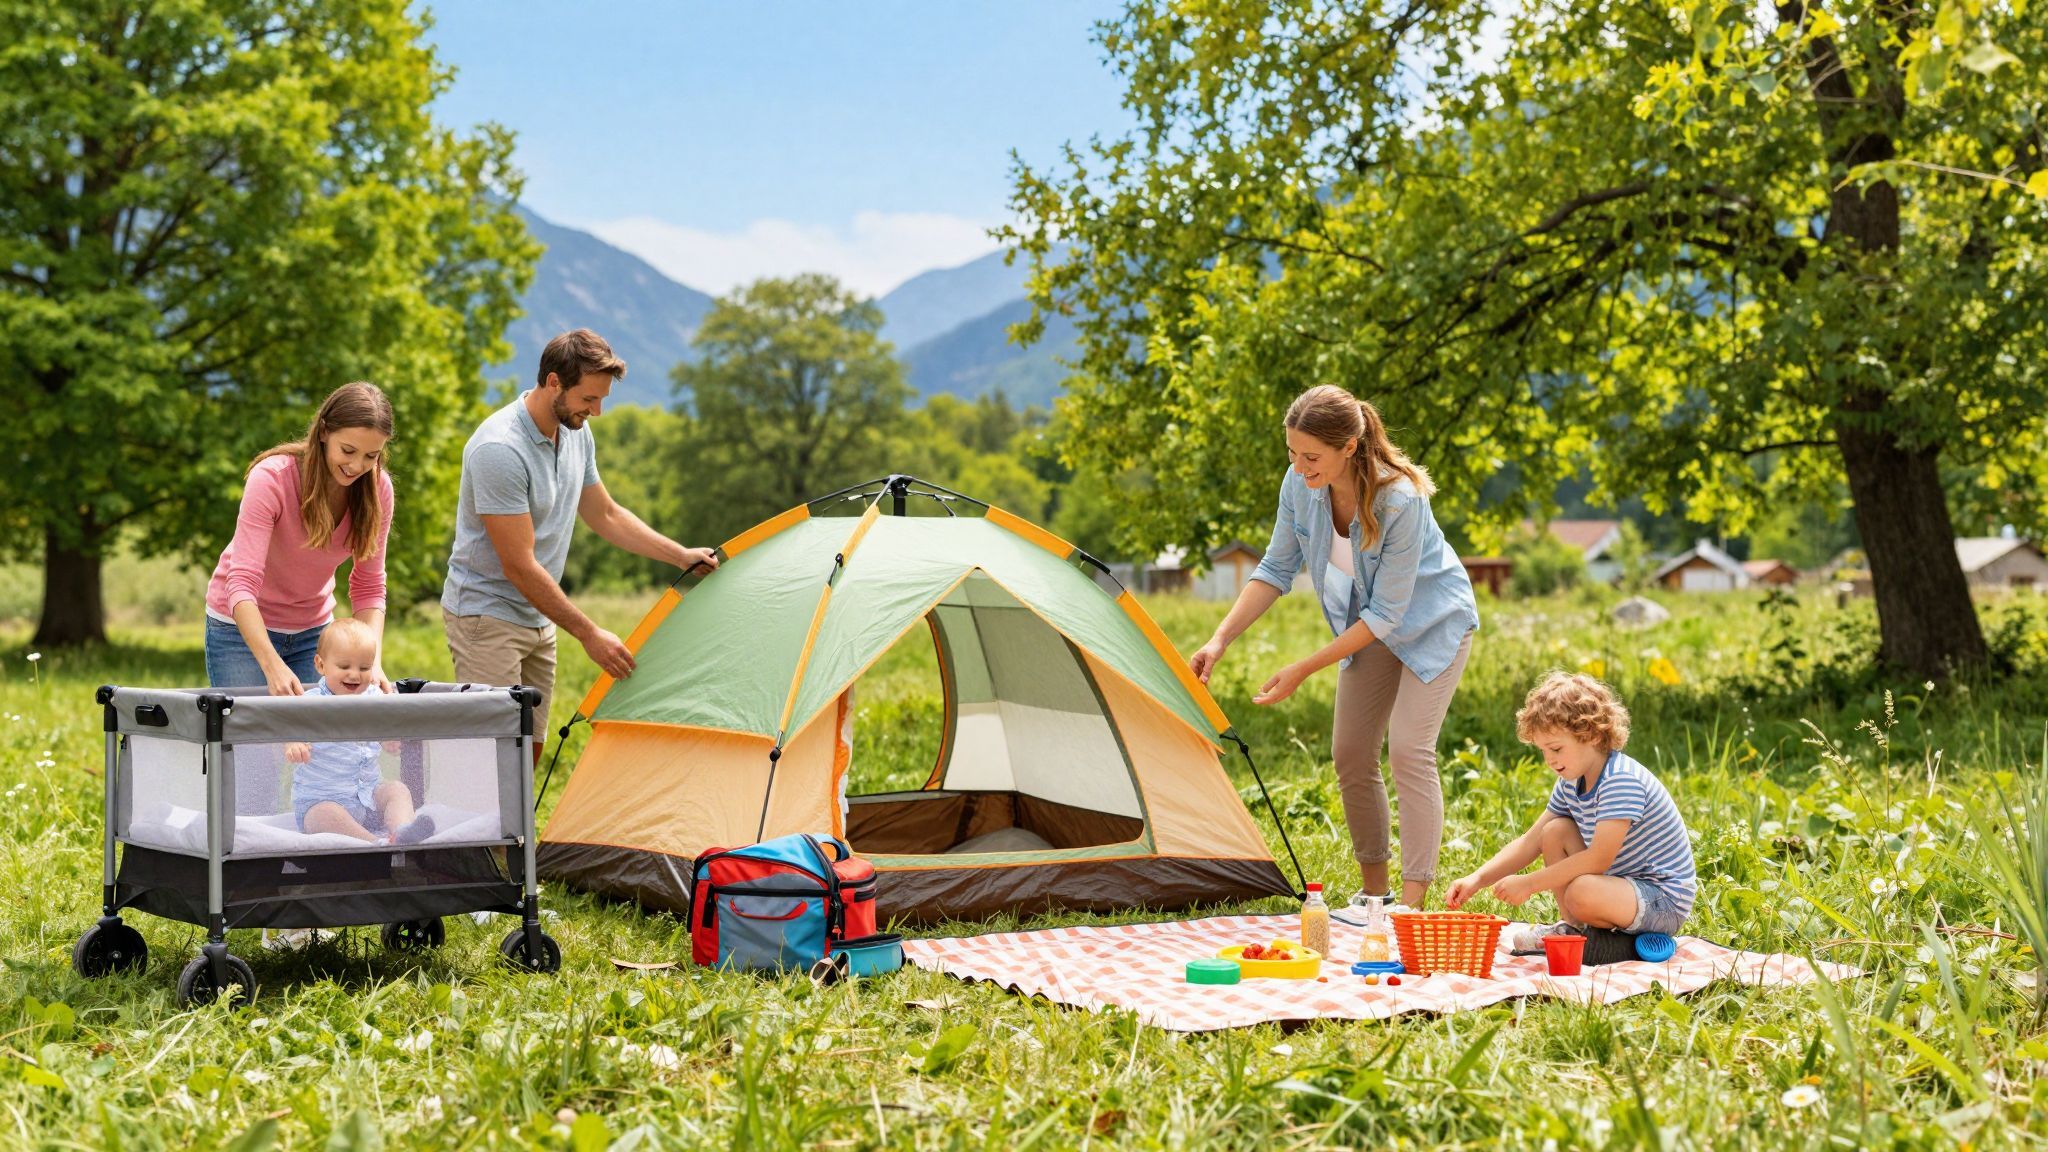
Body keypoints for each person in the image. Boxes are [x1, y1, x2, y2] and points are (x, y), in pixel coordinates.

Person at [1189, 384, 1478, 908]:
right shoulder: (1300, 485)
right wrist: (1220, 638)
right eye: (1293, 454)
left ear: (1349, 446)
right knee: (1350, 754)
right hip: (1367, 626)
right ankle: (1376, 897)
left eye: (1311, 456)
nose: (1300, 467)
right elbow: (1276, 568)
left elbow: (1390, 612)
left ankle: (1411, 908)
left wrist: (1303, 667)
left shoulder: (1400, 499)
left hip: (1433, 625)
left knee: (1410, 751)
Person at [441, 329, 717, 754]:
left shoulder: (575, 432)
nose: (598, 411)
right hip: (487, 614)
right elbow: (518, 565)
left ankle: (515, 825)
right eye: (589, 399)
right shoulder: (500, 449)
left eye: (602, 399)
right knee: (491, 756)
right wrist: (589, 633)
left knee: (528, 750)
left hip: (537, 615)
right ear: (554, 382)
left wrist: (678, 555)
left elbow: (604, 513)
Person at [1444, 672, 1695, 939]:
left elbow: (1598, 859)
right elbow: (1531, 841)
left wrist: (1529, 883)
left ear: (1592, 736)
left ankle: (1609, 941)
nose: (1549, 760)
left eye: (1556, 749)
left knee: (1581, 891)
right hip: (1621, 889)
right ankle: (1574, 930)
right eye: (1543, 751)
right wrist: (1477, 879)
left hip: (1662, 901)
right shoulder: (1571, 781)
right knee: (1555, 831)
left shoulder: (1620, 779)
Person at [205, 382, 396, 696]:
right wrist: (271, 664)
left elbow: (369, 585)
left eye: (371, 456)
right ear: (323, 432)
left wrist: (371, 661)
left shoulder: (378, 490)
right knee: (254, 742)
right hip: (239, 631)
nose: (357, 466)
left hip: (313, 632)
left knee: (319, 743)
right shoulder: (272, 479)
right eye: (348, 450)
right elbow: (240, 582)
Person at [283, 619, 434, 845]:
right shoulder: (311, 703)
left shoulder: (374, 699)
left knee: (397, 789)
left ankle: (403, 831)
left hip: (369, 798)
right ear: (321, 665)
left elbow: (388, 726)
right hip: (322, 800)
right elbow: (287, 726)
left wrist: (390, 740)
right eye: (344, 667)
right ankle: (376, 843)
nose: (355, 675)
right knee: (325, 815)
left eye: (364, 668)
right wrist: (293, 743)